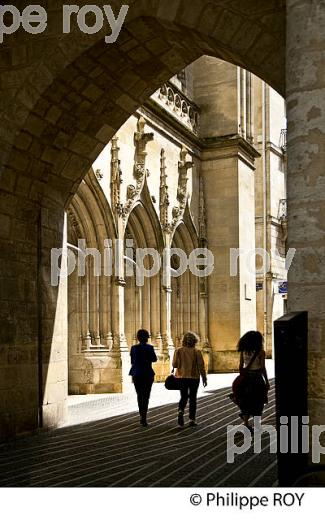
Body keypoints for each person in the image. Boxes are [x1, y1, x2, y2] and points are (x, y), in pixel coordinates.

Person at [172, 331, 207, 428]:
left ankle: (180, 411)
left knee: (183, 396)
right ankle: (192, 419)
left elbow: (174, 365)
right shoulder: (197, 352)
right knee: (192, 398)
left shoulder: (178, 351)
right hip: (193, 377)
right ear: (195, 341)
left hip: (181, 377)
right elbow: (201, 366)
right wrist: (204, 378)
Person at [237, 330, 270, 431]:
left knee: (246, 400)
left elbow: (240, 365)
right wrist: (267, 381)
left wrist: (242, 377)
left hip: (247, 378)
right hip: (257, 378)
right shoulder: (261, 352)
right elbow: (262, 368)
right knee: (258, 401)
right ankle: (257, 424)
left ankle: (246, 423)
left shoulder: (244, 351)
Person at [129, 329, 157, 427]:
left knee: (139, 395)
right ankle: (144, 417)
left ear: (138, 338)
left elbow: (132, 360)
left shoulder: (133, 348)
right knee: (146, 395)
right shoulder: (150, 348)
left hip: (136, 374)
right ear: (147, 338)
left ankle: (142, 415)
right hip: (147, 374)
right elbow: (154, 359)